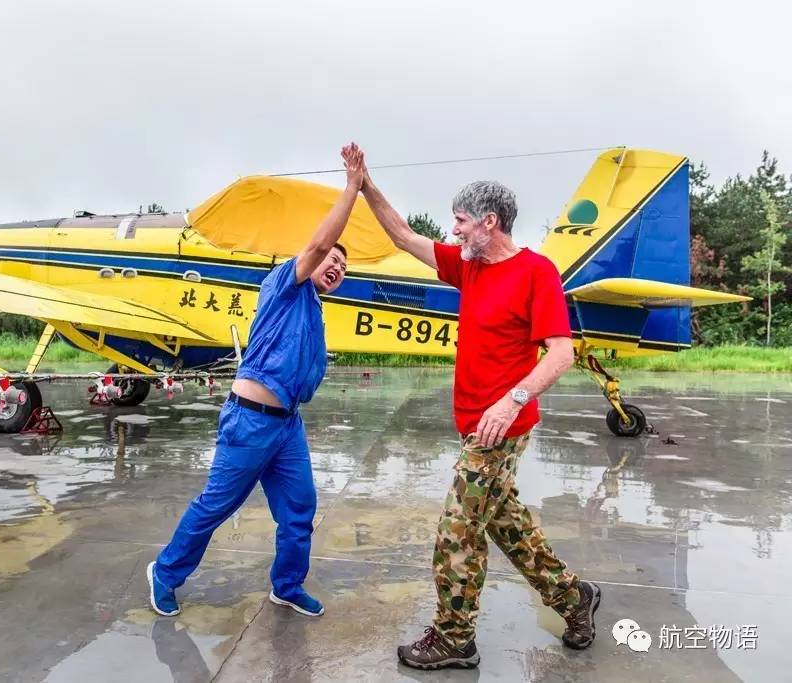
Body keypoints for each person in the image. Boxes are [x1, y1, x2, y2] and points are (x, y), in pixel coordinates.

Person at [360, 160, 601, 670]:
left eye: (461, 220)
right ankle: (572, 596)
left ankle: (454, 637)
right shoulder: (467, 264)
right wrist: (365, 185)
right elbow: (404, 237)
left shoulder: (536, 272)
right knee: (506, 525)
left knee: (457, 530)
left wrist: (513, 398)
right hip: (473, 423)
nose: (454, 229)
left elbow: (562, 353)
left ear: (489, 221)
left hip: (502, 427)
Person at [147, 143, 363, 618]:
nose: (337, 268)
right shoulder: (287, 284)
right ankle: (164, 572)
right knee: (215, 507)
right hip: (249, 422)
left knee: (299, 511)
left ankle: (286, 585)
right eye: (334, 261)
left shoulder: (315, 311)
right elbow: (319, 246)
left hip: (287, 426)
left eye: (345, 269)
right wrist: (351, 187)